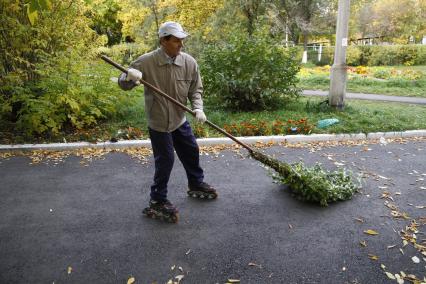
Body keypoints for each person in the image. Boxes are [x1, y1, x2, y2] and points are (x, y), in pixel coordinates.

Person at [118, 21, 217, 221]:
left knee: (191, 150)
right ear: (163, 40)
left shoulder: (189, 62)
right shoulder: (146, 62)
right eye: (176, 40)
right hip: (159, 122)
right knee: (166, 161)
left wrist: (198, 108)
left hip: (179, 119)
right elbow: (123, 83)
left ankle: (196, 182)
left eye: (182, 40)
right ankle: (157, 199)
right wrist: (129, 77)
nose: (181, 44)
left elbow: (195, 90)